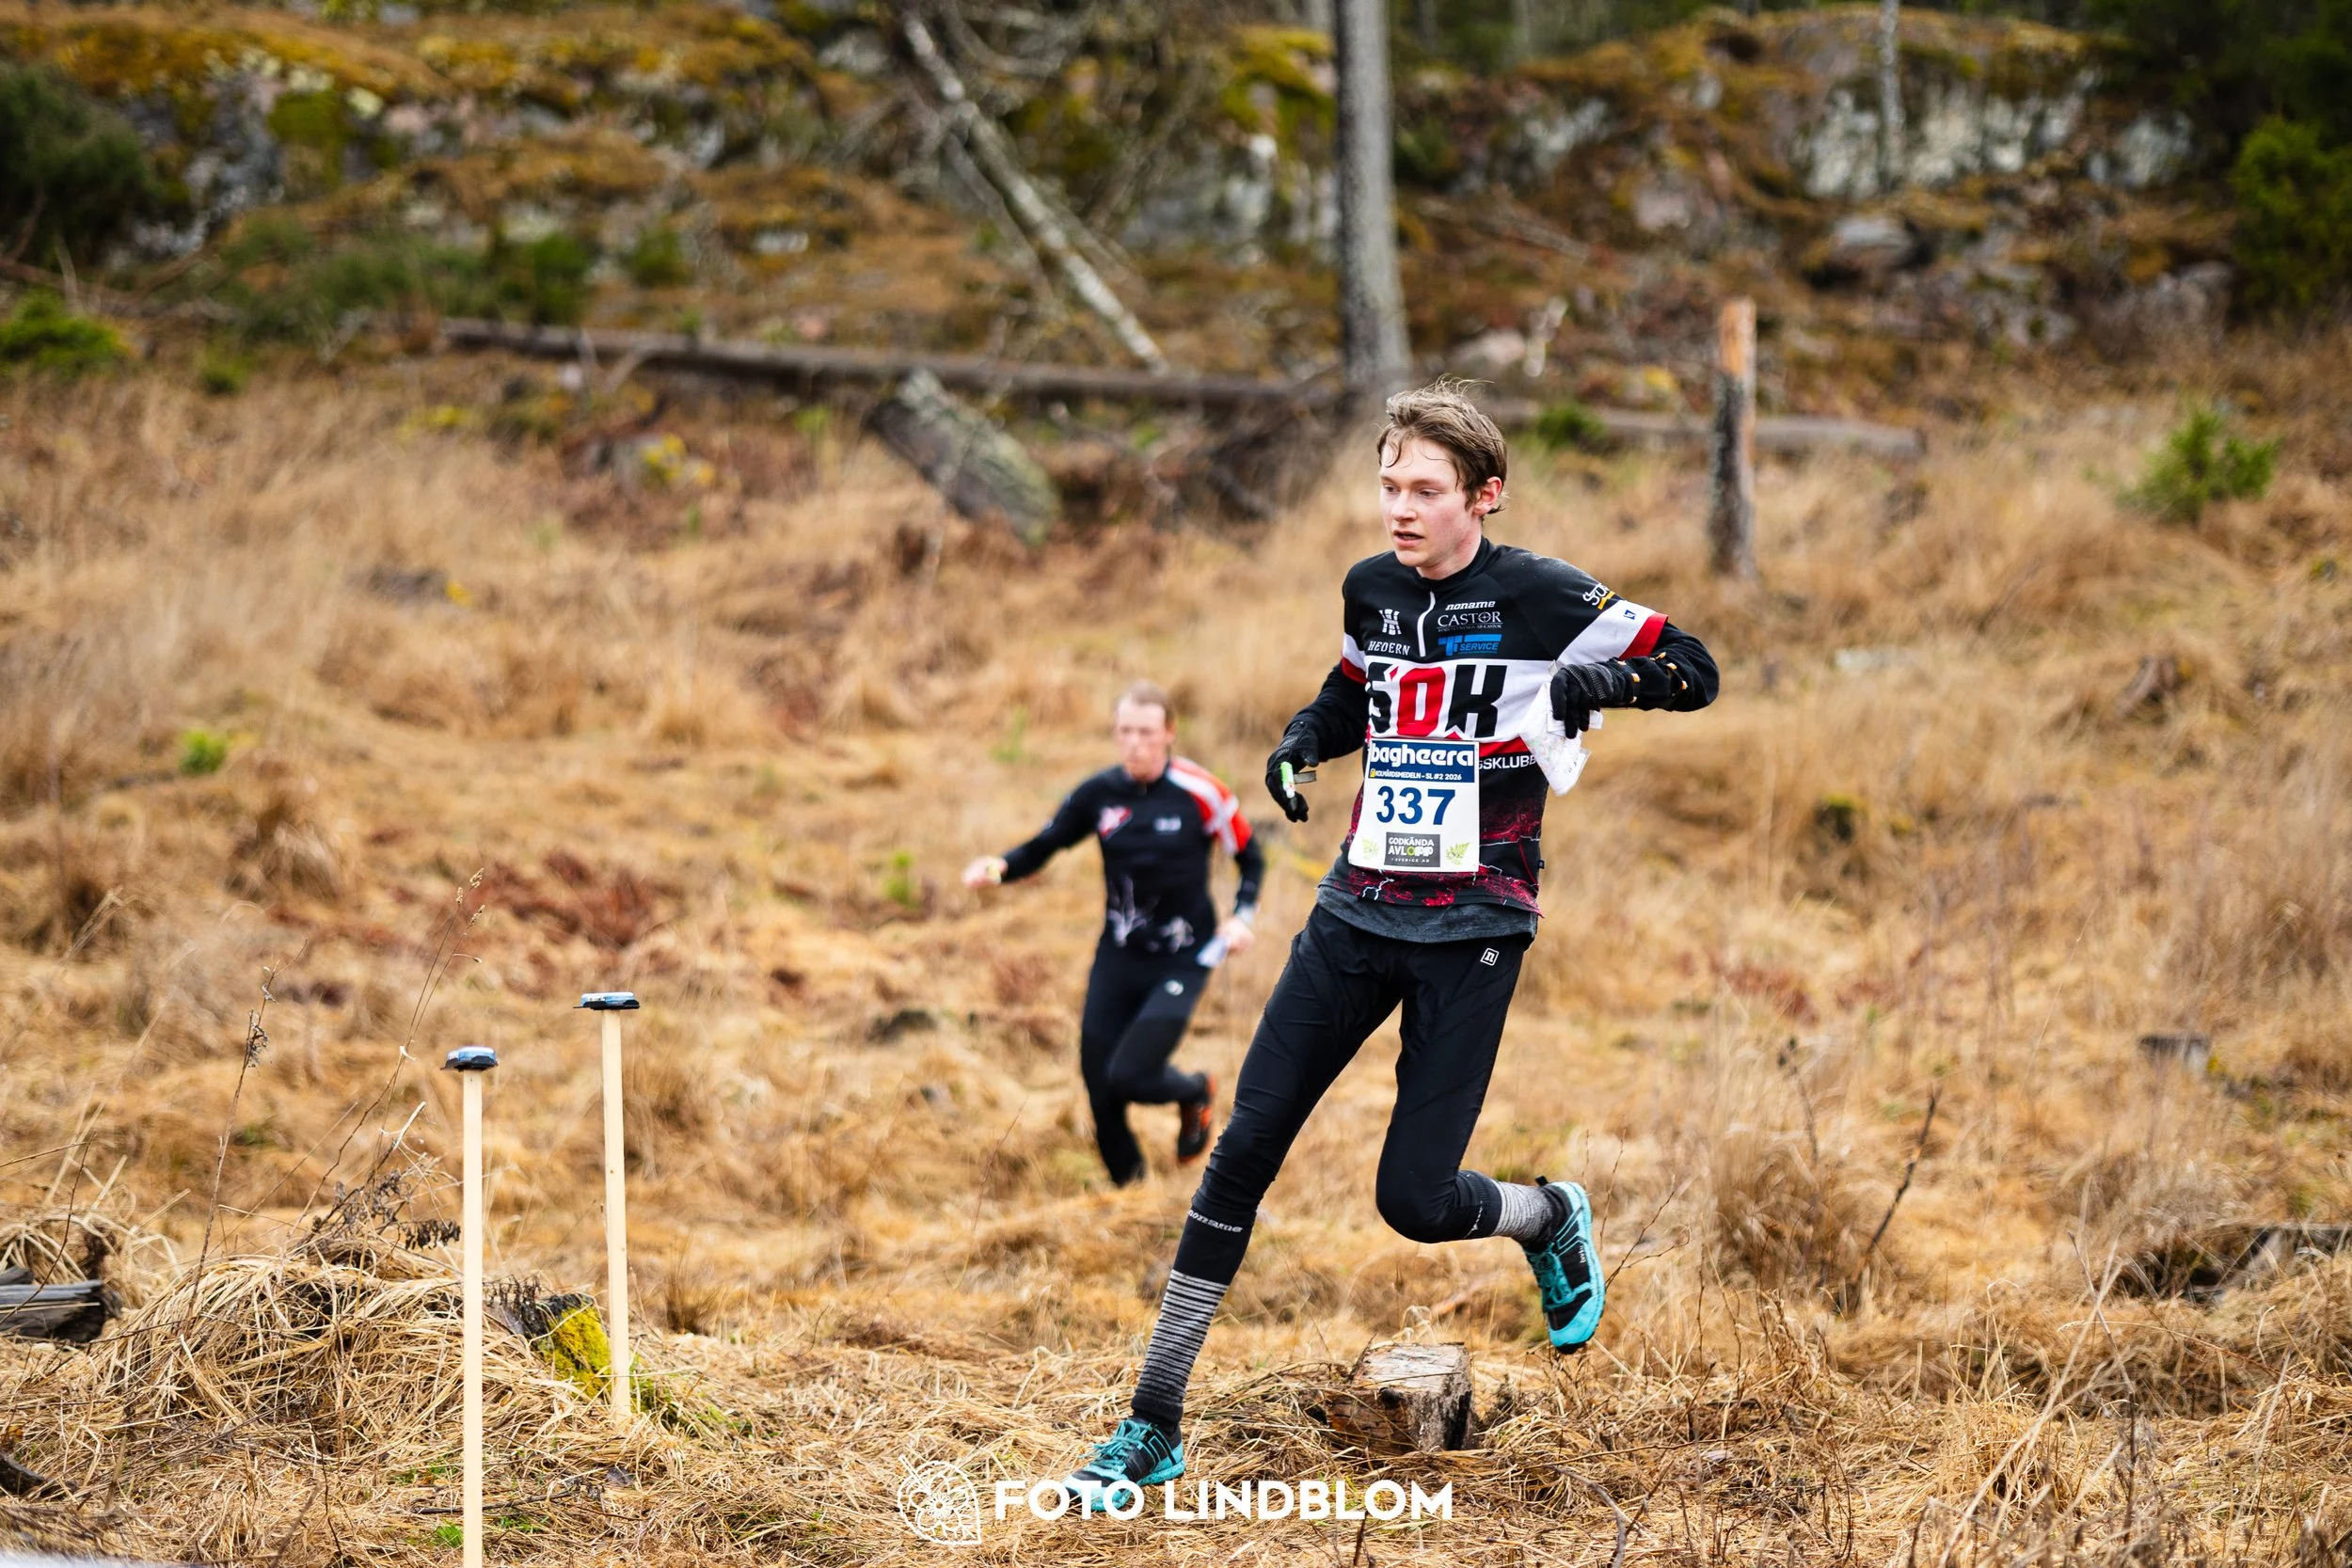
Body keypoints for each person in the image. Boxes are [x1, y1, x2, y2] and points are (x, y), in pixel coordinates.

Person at [1058, 381, 1720, 1508]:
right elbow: (1356, 688)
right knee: (1240, 1152)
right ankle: (1152, 1421)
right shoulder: (1370, 588)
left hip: (1476, 924)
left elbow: (1695, 667)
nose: (1398, 509)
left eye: (1423, 490)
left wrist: (1603, 677)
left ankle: (1547, 1214)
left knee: (1413, 1200)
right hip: (1354, 911)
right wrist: (1302, 740)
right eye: (1387, 485)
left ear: (1484, 495)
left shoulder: (1543, 593)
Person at [963, 682, 1263, 1187]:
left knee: (1130, 1073)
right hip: (1119, 955)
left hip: (1186, 955)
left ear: (1169, 733)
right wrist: (997, 867)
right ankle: (1133, 1196)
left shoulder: (1202, 791)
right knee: (1100, 1088)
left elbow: (1250, 856)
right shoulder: (1098, 794)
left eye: (1146, 732)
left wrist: (1242, 916)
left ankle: (1194, 1091)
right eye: (1125, 731)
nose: (1135, 743)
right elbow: (1044, 845)